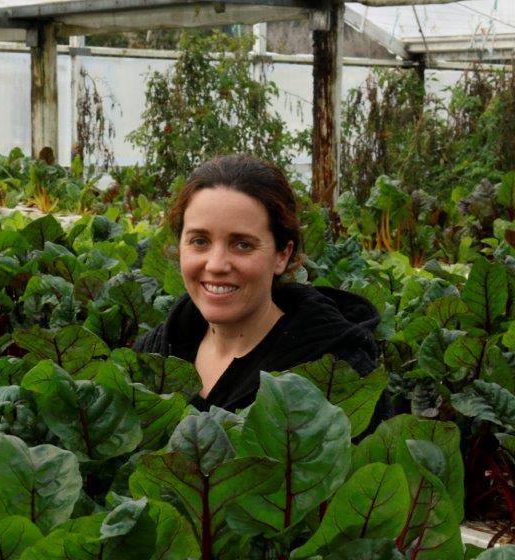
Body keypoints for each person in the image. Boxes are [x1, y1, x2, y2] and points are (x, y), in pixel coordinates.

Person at [134, 154, 391, 432]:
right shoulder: (153, 354)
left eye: (242, 244)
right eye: (200, 241)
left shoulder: (342, 375)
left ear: (283, 254)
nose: (217, 264)